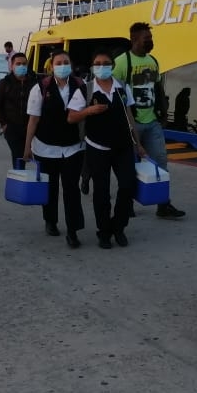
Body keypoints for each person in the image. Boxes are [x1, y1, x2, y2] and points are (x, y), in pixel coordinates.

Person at [68, 50, 146, 249]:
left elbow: (130, 116)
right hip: (97, 147)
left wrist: (138, 143)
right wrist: (88, 111)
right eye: (97, 63)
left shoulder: (122, 88)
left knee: (127, 186)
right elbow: (71, 117)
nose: (102, 67)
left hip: (123, 147)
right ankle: (103, 232)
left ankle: (118, 227)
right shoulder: (86, 90)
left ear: (112, 66)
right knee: (101, 192)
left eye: (105, 63)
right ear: (93, 67)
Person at [112, 22, 186, 219]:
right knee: (128, 165)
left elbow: (157, 87)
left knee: (160, 161)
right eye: (147, 39)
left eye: (151, 39)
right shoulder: (121, 63)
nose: (150, 42)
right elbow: (114, 93)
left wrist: (163, 109)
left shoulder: (153, 61)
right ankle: (126, 203)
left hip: (152, 121)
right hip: (131, 122)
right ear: (135, 40)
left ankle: (163, 204)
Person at [23, 50, 86, 247]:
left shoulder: (81, 85)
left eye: (66, 62)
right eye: (58, 62)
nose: (62, 65)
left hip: (73, 146)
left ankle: (73, 230)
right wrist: (26, 148)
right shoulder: (41, 88)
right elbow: (33, 119)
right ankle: (50, 221)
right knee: (50, 188)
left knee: (71, 189)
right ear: (52, 65)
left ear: (71, 64)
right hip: (45, 147)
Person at [0, 52, 37, 163]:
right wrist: (3, 124)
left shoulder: (34, 82)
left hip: (32, 126)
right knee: (18, 157)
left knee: (36, 157)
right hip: (12, 128)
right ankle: (20, 178)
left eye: (24, 64)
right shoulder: (5, 83)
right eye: (18, 64)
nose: (21, 66)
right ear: (12, 66)